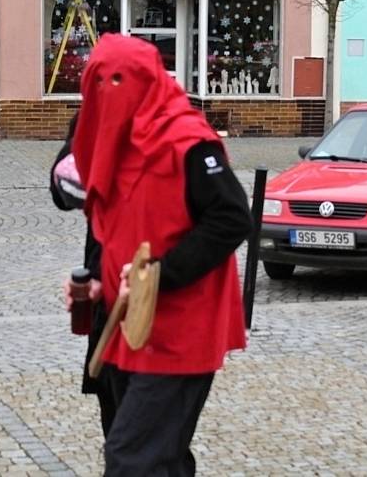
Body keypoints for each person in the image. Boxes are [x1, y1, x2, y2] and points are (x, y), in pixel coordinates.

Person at [70, 34, 252, 476]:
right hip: (123, 325)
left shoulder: (189, 143)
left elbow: (232, 219)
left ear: (149, 82)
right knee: (159, 457)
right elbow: (108, 224)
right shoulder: (109, 142)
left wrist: (162, 274)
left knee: (132, 457)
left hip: (180, 330)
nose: (108, 92)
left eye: (120, 80)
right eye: (98, 81)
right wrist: (96, 277)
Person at [50, 113, 116, 438]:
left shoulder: (166, 126)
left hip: (155, 296)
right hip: (101, 289)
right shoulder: (90, 118)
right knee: (112, 405)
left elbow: (228, 219)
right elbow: (60, 191)